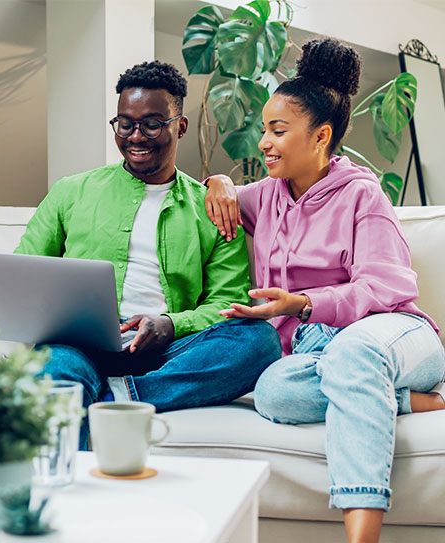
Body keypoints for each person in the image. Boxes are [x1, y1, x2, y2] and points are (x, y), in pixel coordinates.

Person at [204, 39, 445, 543]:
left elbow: (387, 286)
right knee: (274, 391)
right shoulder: (264, 196)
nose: (263, 142)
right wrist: (219, 180)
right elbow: (219, 195)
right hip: (315, 353)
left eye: (278, 131)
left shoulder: (362, 194)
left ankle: (361, 535)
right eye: (264, 130)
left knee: (353, 356)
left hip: (390, 333)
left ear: (321, 136)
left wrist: (305, 304)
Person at [14, 61, 281, 449]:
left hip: (168, 351)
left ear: (180, 126)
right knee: (54, 368)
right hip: (80, 346)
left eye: (152, 124)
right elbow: (24, 273)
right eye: (125, 124)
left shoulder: (213, 209)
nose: (136, 136)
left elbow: (227, 303)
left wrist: (170, 324)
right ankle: (104, 413)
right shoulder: (71, 192)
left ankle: (118, 398)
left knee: (258, 341)